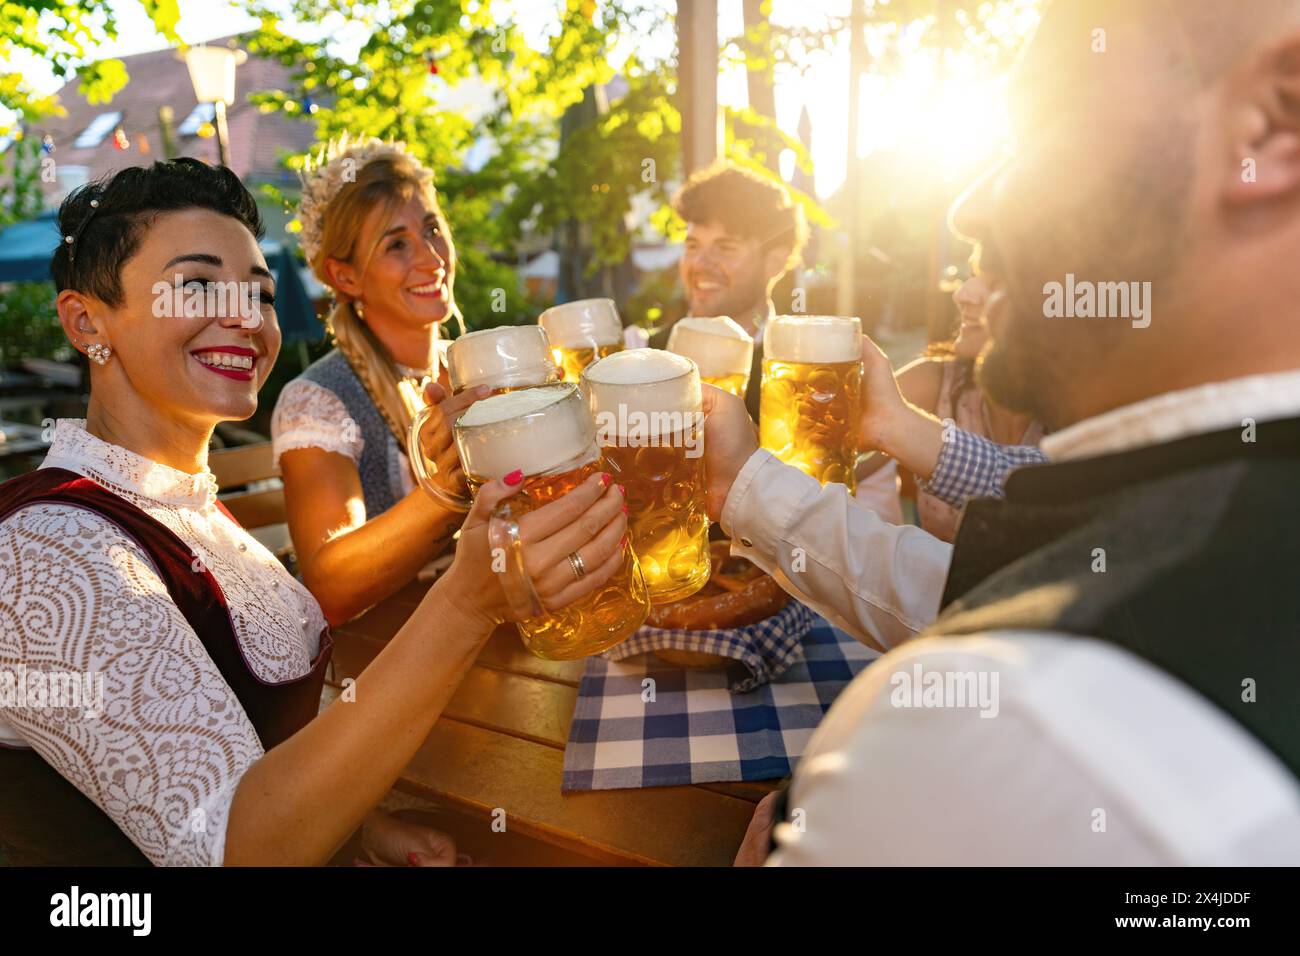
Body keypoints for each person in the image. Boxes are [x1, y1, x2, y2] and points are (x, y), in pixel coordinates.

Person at [711, 0, 1300, 863]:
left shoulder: (1002, 724)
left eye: (1037, 126)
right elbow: (989, 582)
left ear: (1269, 123)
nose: (968, 209)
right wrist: (744, 488)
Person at [0, 159, 629, 866]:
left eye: (260, 294)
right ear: (86, 322)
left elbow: (261, 760)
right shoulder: (48, 550)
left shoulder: (183, 510)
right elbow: (238, 851)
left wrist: (362, 834)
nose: (245, 317)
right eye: (197, 285)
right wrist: (467, 602)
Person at [272, 139, 482, 625]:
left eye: (432, 228)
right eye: (396, 244)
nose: (431, 258)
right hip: (383, 665)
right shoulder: (317, 399)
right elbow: (329, 586)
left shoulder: (469, 370)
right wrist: (444, 493)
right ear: (344, 277)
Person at [855, 273, 1044, 540]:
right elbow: (828, 453)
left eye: (996, 278)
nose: (962, 294)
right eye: (971, 274)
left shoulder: (1085, 410)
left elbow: (1045, 492)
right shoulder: (938, 380)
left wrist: (899, 430)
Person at [653, 162, 809, 419]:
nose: (700, 264)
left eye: (725, 248)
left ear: (776, 262)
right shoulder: (642, 353)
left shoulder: (804, 367)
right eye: (692, 246)